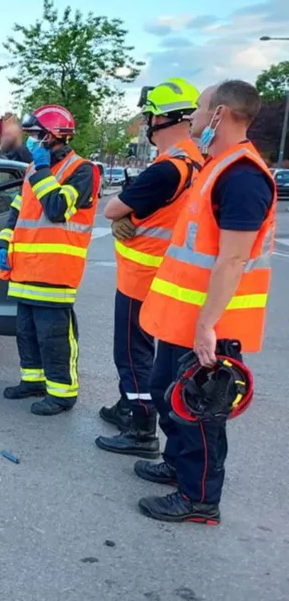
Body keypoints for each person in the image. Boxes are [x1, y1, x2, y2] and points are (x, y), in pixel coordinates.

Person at [137, 80, 274, 524]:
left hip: (210, 325)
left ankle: (199, 499)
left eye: (198, 109)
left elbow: (234, 258)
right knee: (169, 395)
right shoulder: (219, 166)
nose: (193, 118)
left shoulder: (243, 176)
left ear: (220, 114)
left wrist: (207, 326)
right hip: (183, 319)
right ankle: (178, 467)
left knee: (200, 412)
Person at [95, 79, 204, 458]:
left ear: (159, 118)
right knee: (147, 353)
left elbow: (111, 209)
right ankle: (130, 405)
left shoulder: (166, 169)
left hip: (141, 278)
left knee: (132, 352)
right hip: (169, 274)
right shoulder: (195, 162)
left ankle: (141, 426)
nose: (147, 122)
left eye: (149, 115)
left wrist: (119, 217)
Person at [0, 105, 101, 415]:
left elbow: (56, 208)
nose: (31, 142)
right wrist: (2, 243)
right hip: (25, 269)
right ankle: (33, 382)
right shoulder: (33, 171)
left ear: (54, 137)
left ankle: (62, 393)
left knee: (54, 337)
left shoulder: (83, 170)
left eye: (37, 136)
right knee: (26, 332)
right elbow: (18, 213)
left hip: (55, 272)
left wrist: (41, 172)